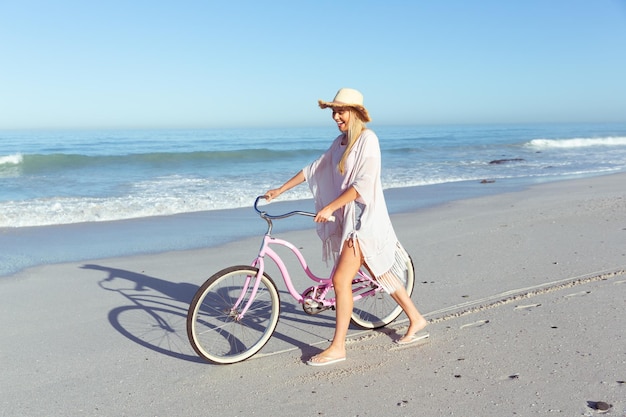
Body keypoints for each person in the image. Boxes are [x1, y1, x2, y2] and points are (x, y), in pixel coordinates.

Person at [264, 88, 428, 366]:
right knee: (381, 272)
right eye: (333, 112)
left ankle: (338, 347)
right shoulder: (340, 142)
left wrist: (330, 207)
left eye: (341, 111)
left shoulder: (368, 140)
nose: (336, 116)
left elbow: (363, 184)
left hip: (365, 220)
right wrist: (280, 190)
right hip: (349, 218)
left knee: (341, 281)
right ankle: (416, 318)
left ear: (355, 113)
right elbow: (314, 169)